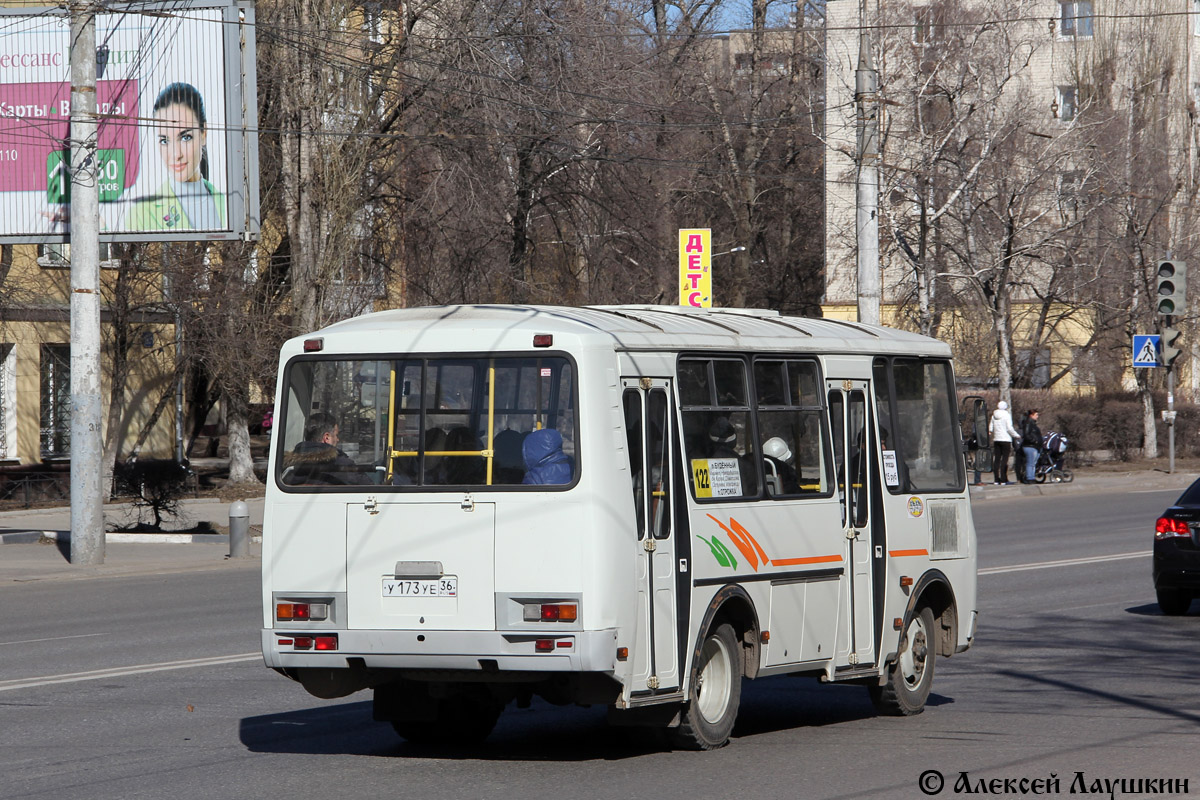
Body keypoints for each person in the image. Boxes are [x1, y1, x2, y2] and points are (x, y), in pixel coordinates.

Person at [126, 83, 226, 231]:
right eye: (165, 141)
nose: (176, 155)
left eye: (185, 137)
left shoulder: (227, 203)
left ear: (203, 133)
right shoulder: (142, 213)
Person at [283, 411, 356, 483]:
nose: (338, 439)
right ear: (326, 438)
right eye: (336, 435)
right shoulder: (342, 466)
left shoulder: (288, 468)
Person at [989, 400, 1020, 485]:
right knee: (1004, 459)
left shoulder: (994, 415)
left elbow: (991, 426)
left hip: (997, 439)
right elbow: (1009, 428)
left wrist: (990, 431)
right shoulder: (1007, 415)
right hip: (1006, 439)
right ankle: (1003, 479)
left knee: (997, 459)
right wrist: (1016, 435)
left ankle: (996, 479)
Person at [1020, 409, 1043, 484]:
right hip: (1030, 446)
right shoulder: (1028, 423)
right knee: (1030, 463)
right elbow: (1026, 435)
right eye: (1036, 415)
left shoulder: (1033, 424)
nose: (1037, 416)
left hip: (1035, 446)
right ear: (1031, 415)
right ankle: (1029, 478)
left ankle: (1032, 477)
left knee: (1033, 463)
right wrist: (1034, 441)